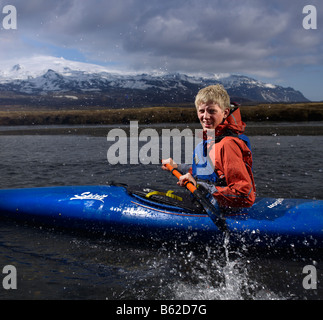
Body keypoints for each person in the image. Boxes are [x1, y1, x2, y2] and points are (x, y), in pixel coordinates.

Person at [161, 84, 256, 209]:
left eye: (212, 111)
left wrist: (199, 186)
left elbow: (244, 196)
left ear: (225, 112)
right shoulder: (210, 140)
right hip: (208, 204)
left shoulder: (228, 145)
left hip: (224, 212)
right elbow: (203, 170)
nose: (205, 117)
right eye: (201, 111)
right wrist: (176, 167)